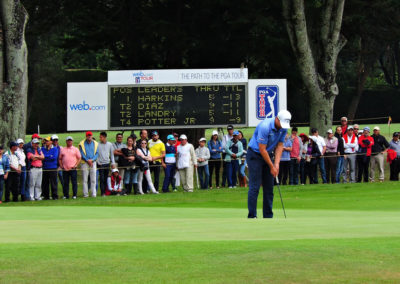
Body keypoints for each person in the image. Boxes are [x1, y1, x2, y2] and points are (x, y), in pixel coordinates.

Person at [247, 110, 291, 218]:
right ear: (277, 119)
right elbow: (262, 149)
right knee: (255, 186)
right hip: (255, 155)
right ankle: (252, 215)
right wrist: (272, 166)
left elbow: (280, 146)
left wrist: (276, 164)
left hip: (268, 154)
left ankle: (268, 215)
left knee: (269, 187)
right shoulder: (265, 126)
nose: (282, 126)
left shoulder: (283, 128)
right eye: (281, 124)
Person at [79, 131, 99, 198]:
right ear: (86, 136)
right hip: (85, 162)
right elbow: (81, 153)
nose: (89, 136)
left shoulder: (95, 143)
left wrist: (92, 160)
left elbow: (97, 153)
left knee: (93, 179)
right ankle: (85, 194)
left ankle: (93, 194)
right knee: (85, 179)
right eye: (88, 135)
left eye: (90, 135)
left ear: (92, 136)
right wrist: (87, 160)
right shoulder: (82, 143)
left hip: (93, 162)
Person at [97, 132, 115, 197]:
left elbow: (112, 154)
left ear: (104, 137)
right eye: (100, 137)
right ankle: (102, 193)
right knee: (101, 179)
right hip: (100, 164)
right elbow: (97, 154)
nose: (100, 138)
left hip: (107, 163)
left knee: (106, 178)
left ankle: (105, 191)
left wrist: (113, 163)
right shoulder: (97, 144)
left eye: (101, 137)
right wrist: (98, 162)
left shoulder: (110, 144)